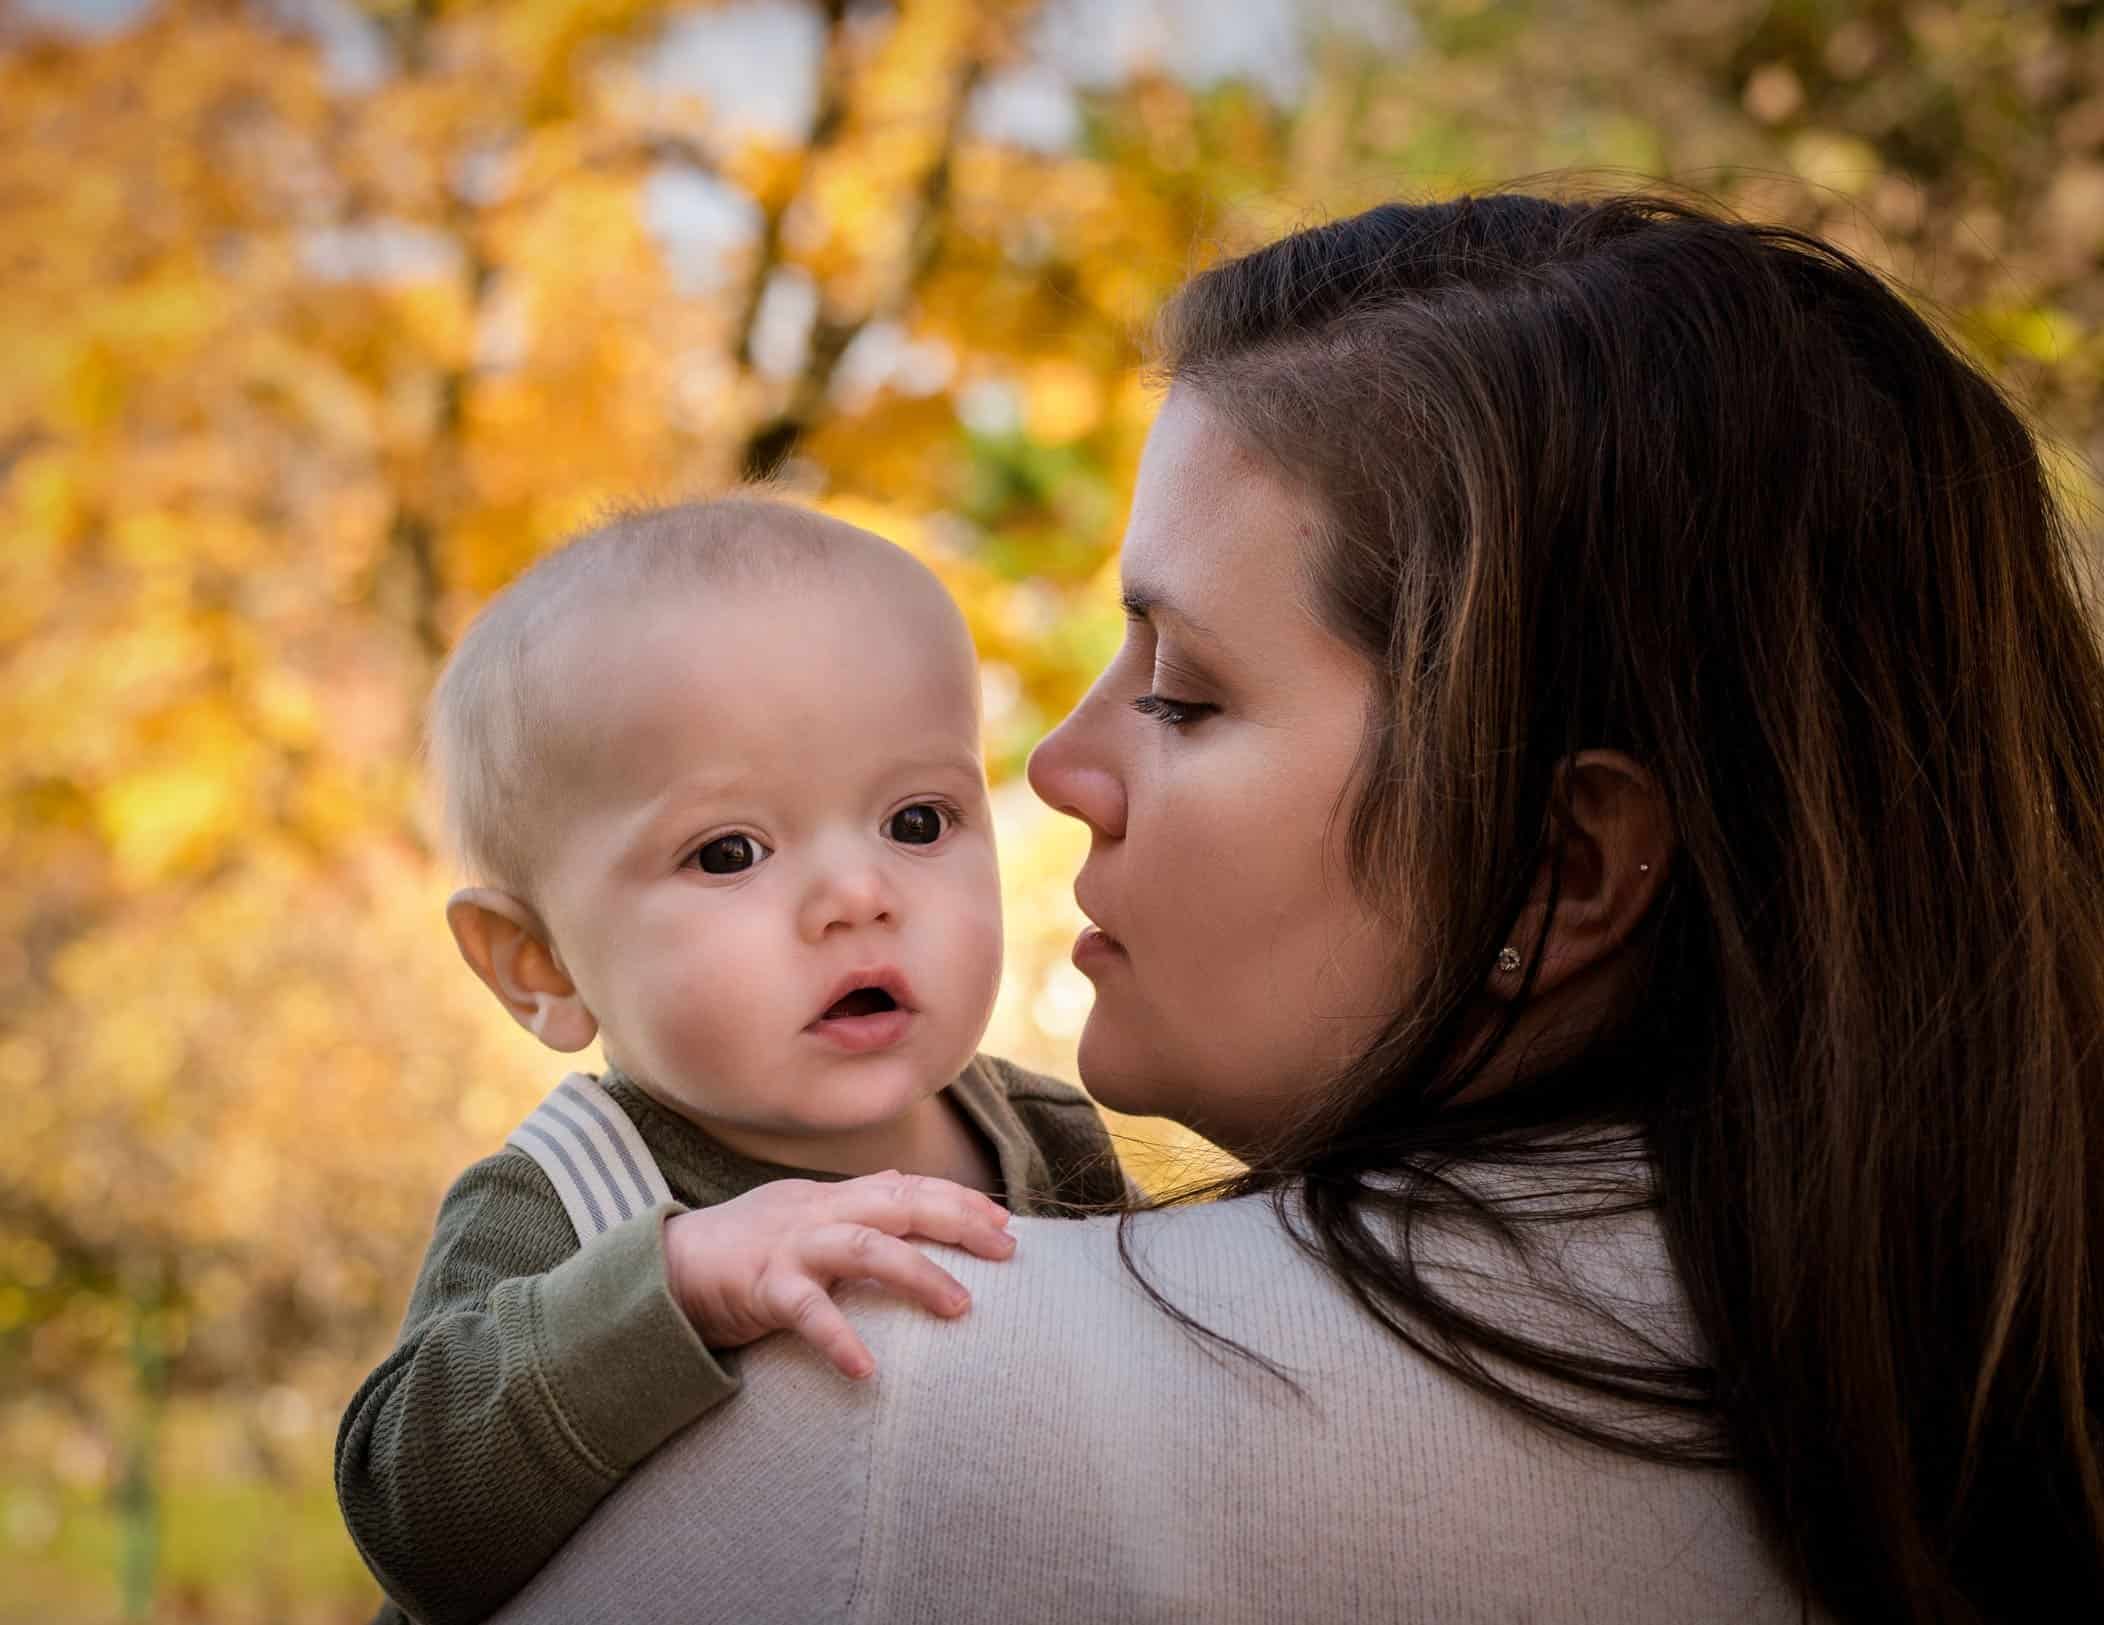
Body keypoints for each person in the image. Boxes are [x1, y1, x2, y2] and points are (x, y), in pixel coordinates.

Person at [491, 191, 2104, 1624]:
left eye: (1182, 695)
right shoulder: (1981, 1394)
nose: (1056, 769)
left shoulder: (886, 1399)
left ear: (1559, 864)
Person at [335, 498, 1131, 1625]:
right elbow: (408, 1516)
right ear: (539, 965)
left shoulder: (1047, 1138)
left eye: (917, 820)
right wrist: (671, 1287)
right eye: (729, 851)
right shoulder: (561, 1199)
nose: (859, 895)